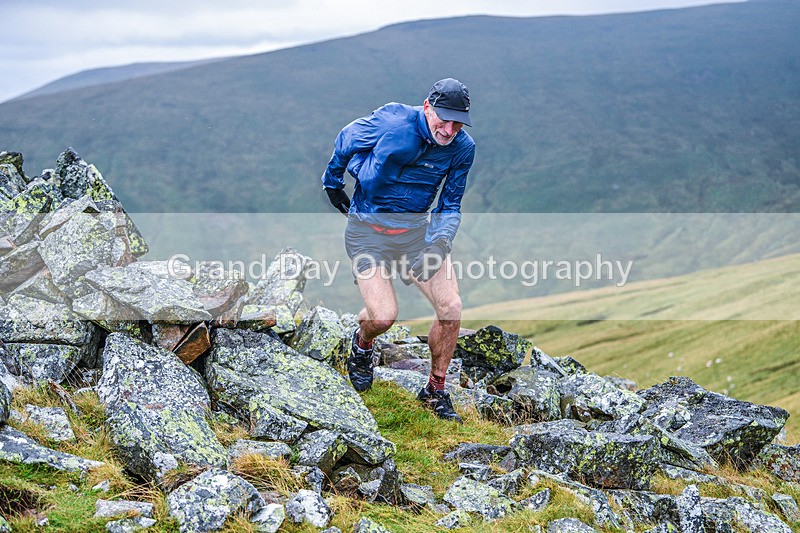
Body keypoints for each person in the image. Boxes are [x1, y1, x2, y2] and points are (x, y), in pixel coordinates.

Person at [321, 78, 475, 423]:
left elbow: (451, 203)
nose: (449, 129)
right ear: (427, 106)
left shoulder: (462, 147)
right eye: (443, 118)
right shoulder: (391, 121)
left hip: (416, 234)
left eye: (458, 122)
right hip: (368, 234)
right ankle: (362, 344)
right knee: (382, 317)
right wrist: (333, 183)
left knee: (450, 307)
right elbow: (346, 140)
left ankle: (435, 390)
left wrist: (440, 243)